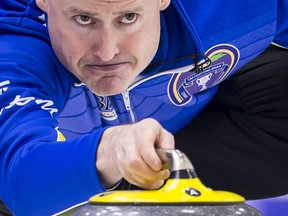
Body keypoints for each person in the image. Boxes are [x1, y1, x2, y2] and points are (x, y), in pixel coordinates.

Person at [0, 0, 287, 215]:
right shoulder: (14, 48)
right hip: (51, 164)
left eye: (128, 17)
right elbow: (20, 182)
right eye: (84, 18)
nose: (107, 51)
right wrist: (111, 151)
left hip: (186, 132)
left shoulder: (238, 6)